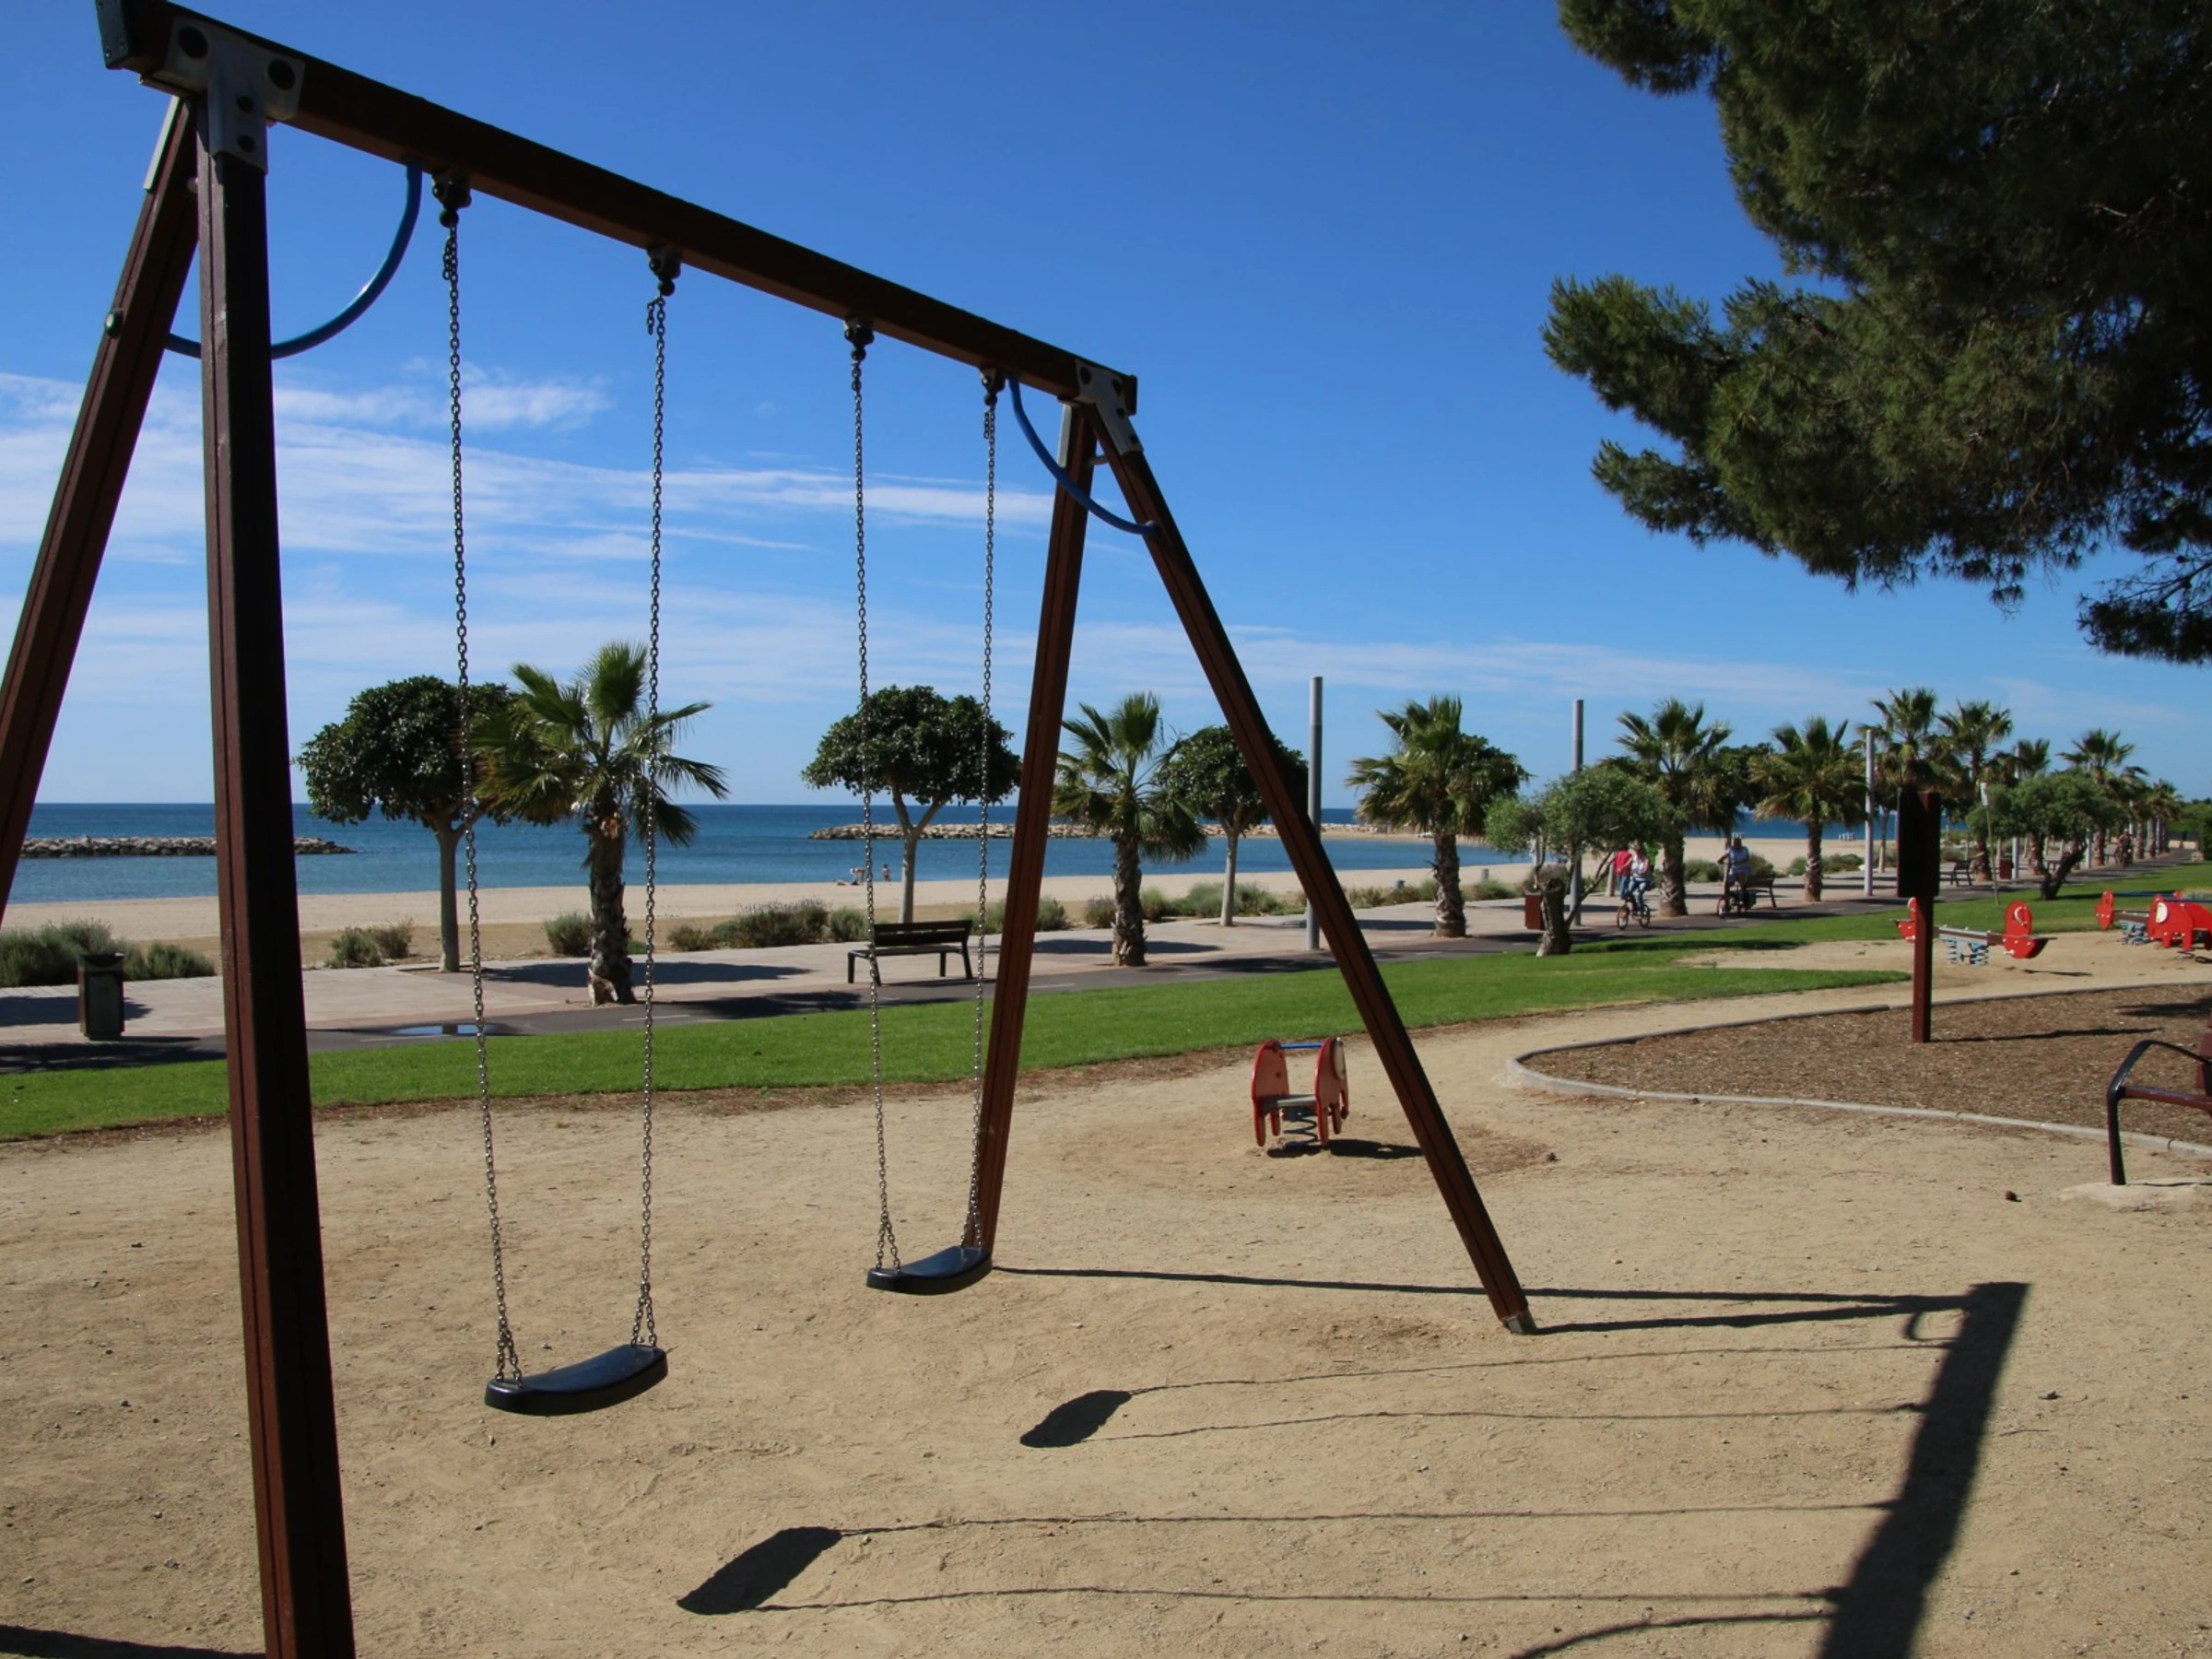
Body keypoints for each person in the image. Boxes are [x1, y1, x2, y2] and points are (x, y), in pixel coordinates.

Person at [1723, 836, 1753, 912]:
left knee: (1741, 880)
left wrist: (1740, 862)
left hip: (1743, 869)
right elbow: (1725, 855)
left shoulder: (1744, 849)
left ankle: (1744, 900)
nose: (1737, 845)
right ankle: (1729, 901)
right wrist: (1720, 860)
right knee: (1727, 884)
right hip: (1733, 870)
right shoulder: (1731, 849)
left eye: (1738, 843)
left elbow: (1747, 858)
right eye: (1735, 843)